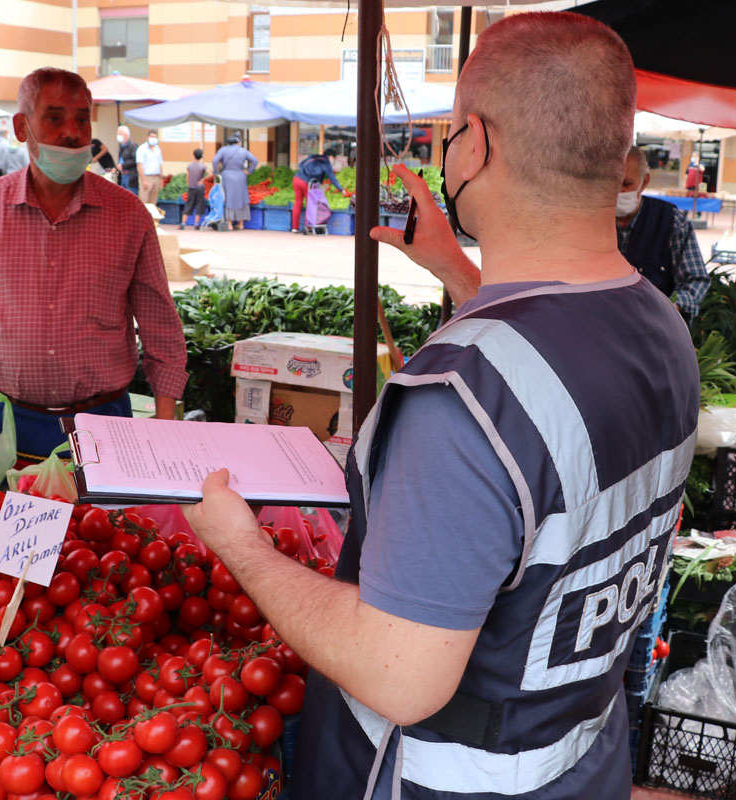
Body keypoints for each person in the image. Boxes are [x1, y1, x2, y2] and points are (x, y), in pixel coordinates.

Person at [182, 12, 698, 800]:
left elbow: (401, 677)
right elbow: (549, 392)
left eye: (450, 132)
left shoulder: (460, 403)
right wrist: (458, 271)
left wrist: (243, 547)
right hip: (582, 761)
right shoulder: (657, 323)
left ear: (475, 145)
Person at [0, 67, 187, 462]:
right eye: (54, 117)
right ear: (22, 127)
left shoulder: (128, 215)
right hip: (2, 422)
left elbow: (160, 322)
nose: (72, 132)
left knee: (100, 525)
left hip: (104, 422)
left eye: (81, 118)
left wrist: (164, 419)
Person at [616, 146, 709, 321]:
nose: (619, 192)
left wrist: (672, 307)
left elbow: (696, 279)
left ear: (644, 182)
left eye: (627, 184)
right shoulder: (591, 220)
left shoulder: (672, 221)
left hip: (655, 327)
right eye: (613, 183)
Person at [292, 148, 344, 232]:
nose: (333, 161)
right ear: (331, 157)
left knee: (298, 202)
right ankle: (308, 227)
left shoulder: (314, 157)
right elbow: (332, 178)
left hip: (297, 178)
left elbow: (301, 164)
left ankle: (294, 228)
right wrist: (341, 189)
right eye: (334, 159)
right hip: (306, 182)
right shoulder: (326, 162)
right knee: (310, 204)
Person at [212, 135, 258, 230]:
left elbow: (215, 161)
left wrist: (216, 173)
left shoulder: (223, 150)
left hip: (227, 176)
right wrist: (249, 171)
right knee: (241, 198)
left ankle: (229, 224)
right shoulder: (243, 150)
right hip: (241, 175)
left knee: (228, 198)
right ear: (238, 142)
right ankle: (241, 224)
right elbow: (255, 161)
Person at [181, 148, 210, 230]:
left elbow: (187, 176)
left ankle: (183, 223)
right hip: (200, 188)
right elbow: (211, 173)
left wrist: (188, 184)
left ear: (194, 155)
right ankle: (196, 224)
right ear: (202, 156)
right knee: (199, 205)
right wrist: (202, 180)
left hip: (191, 187)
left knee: (189, 204)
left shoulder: (190, 166)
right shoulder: (203, 166)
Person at [135, 130, 163, 205]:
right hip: (147, 177)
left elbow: (160, 165)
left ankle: (152, 217)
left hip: (156, 177)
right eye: (152, 137)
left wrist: (161, 179)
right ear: (147, 137)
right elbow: (139, 165)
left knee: (153, 202)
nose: (153, 139)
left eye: (155, 137)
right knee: (144, 201)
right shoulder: (142, 149)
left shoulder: (157, 149)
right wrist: (144, 180)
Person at [116, 126, 138, 192]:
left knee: (131, 195)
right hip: (122, 175)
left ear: (125, 135)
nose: (118, 136)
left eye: (119, 134)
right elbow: (121, 159)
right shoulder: (121, 146)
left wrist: (123, 165)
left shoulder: (133, 146)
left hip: (130, 176)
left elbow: (134, 160)